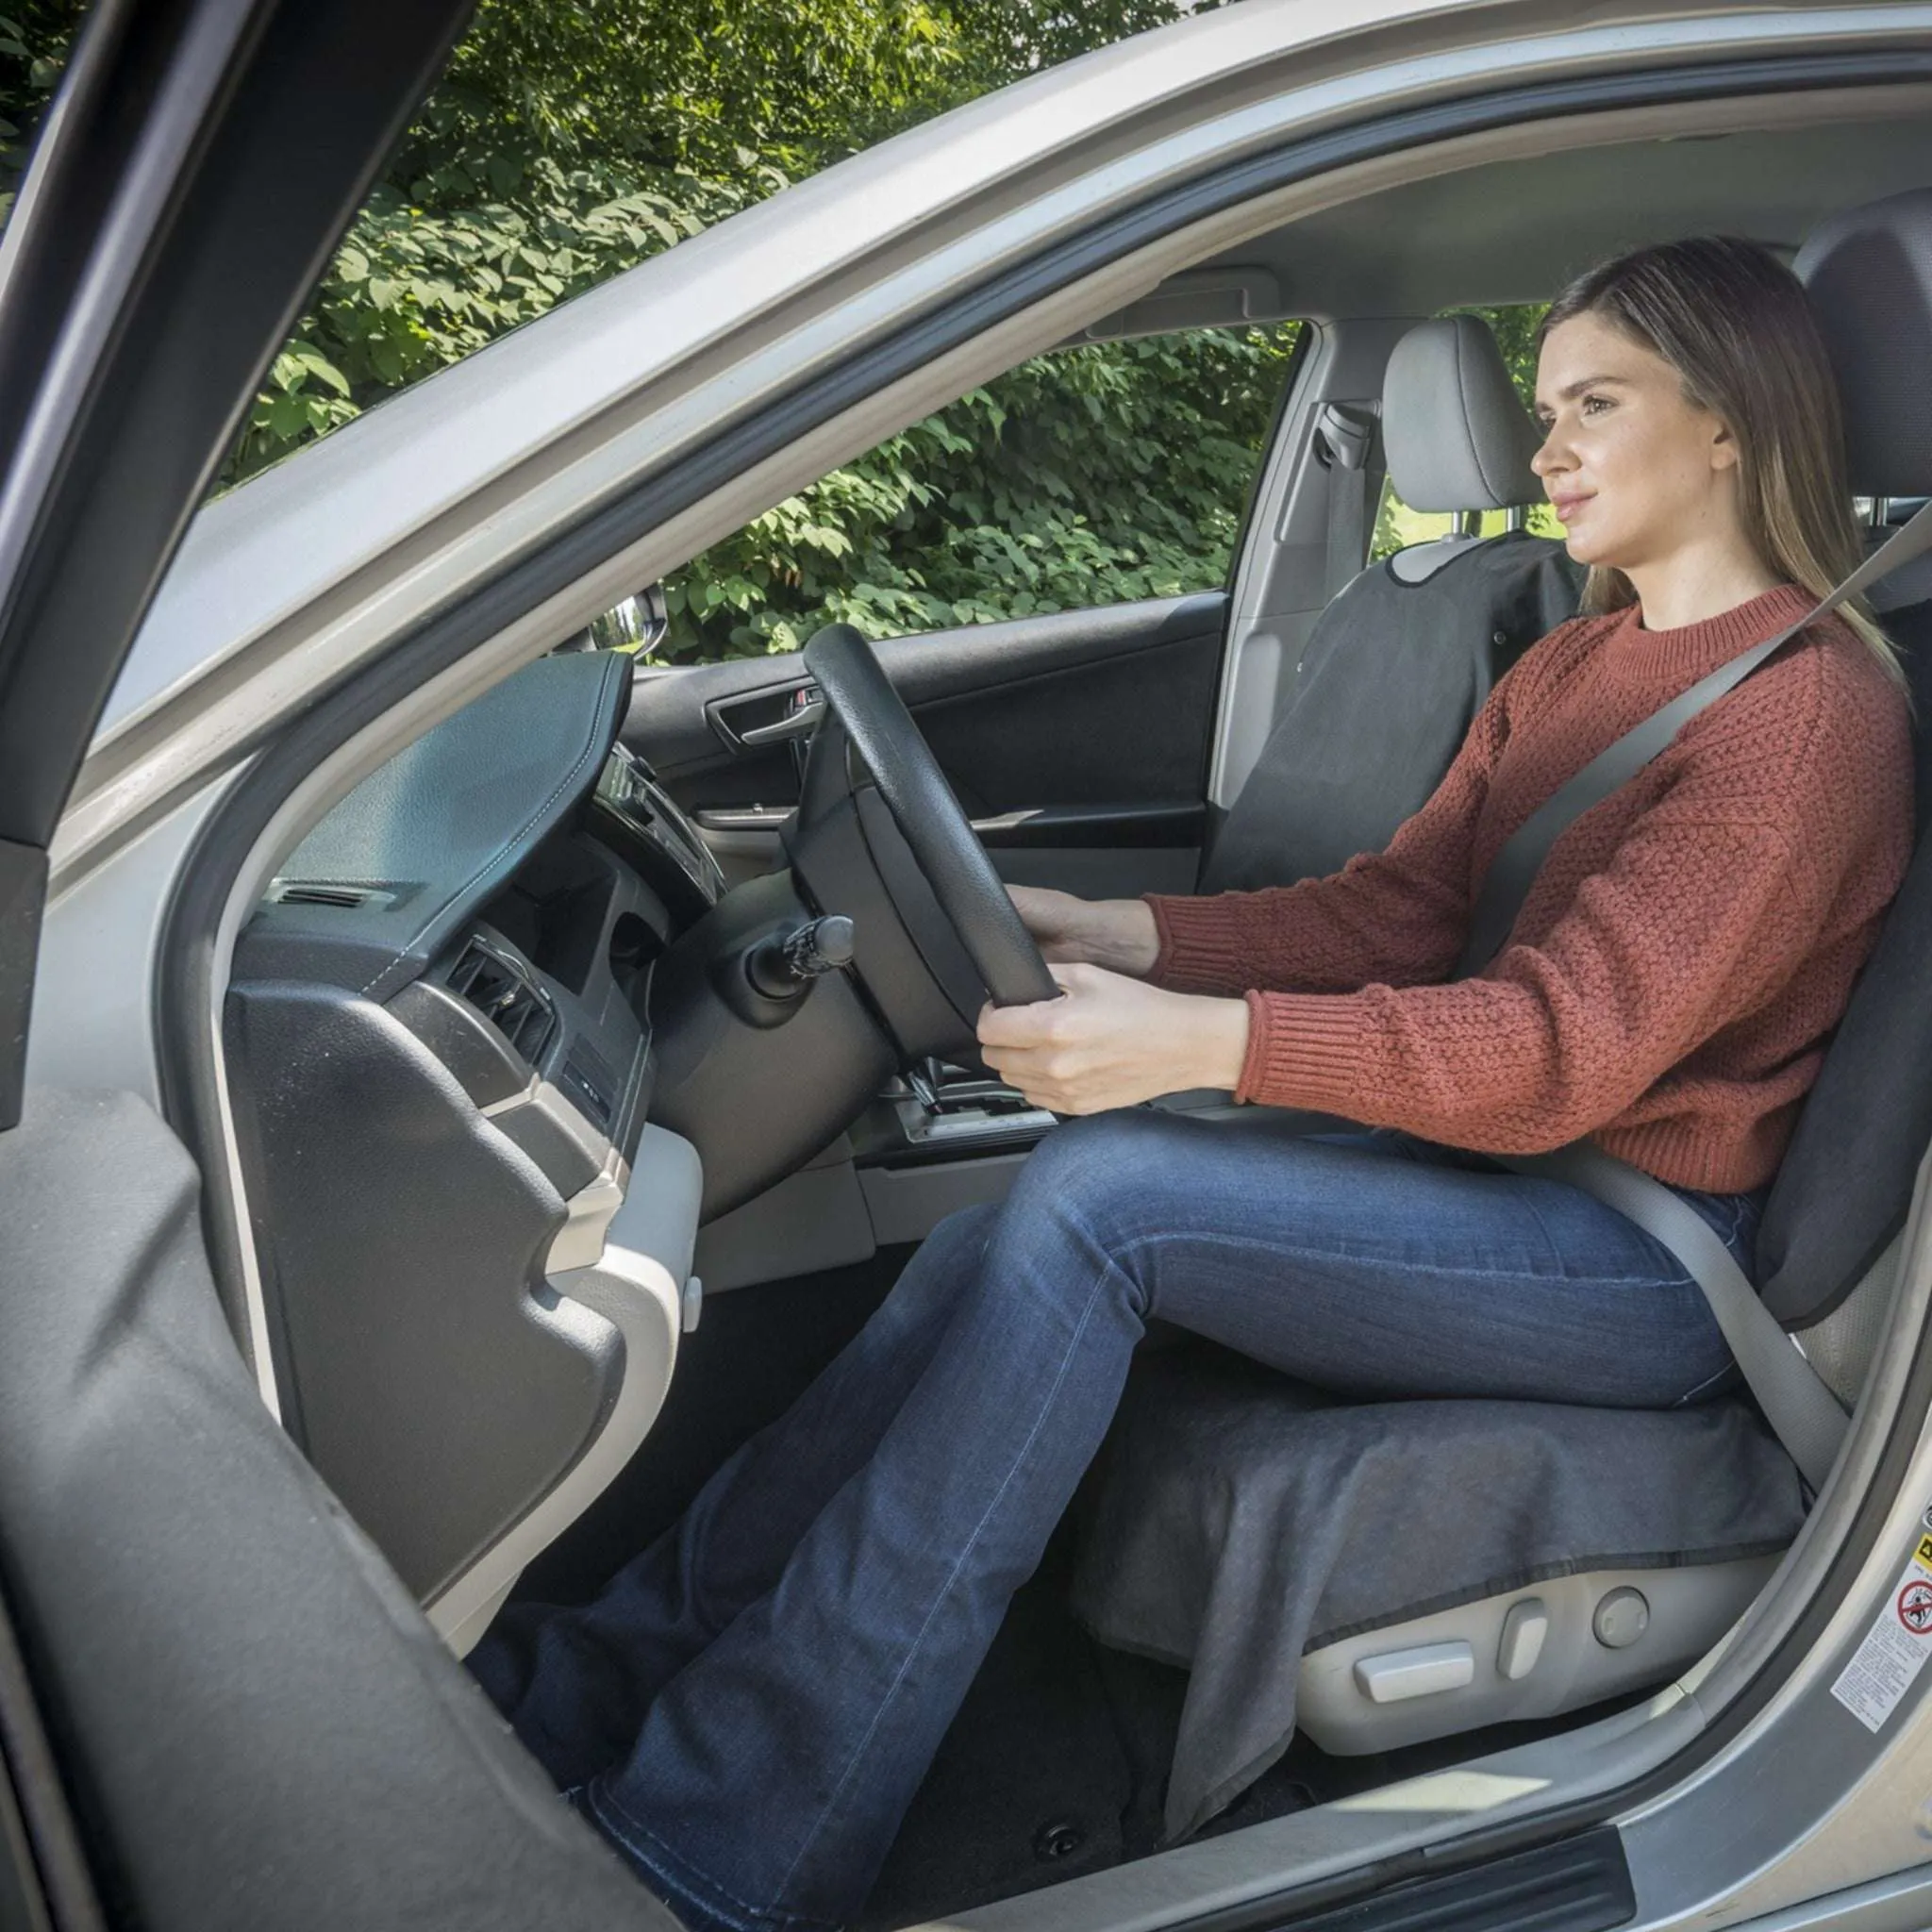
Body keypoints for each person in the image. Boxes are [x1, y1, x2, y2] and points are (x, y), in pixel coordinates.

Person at [469, 237, 1914, 1932]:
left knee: (1101, 1205)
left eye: (1596, 404)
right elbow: (1396, 912)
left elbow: (1554, 1051)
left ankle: (719, 1846)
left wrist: (1209, 1051)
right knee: (1008, 1230)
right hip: (1510, 1183)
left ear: (1733, 422)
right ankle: (593, 1681)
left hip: (1645, 1256)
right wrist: (1135, 932)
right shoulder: (1572, 666)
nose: (1547, 452)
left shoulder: (1810, 721)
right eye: (1543, 412)